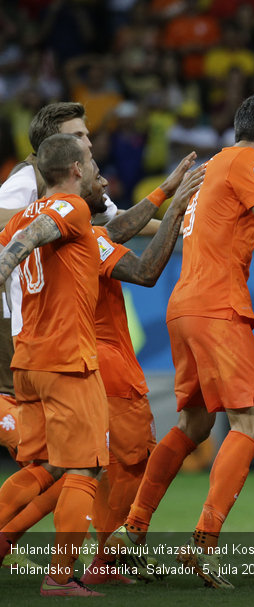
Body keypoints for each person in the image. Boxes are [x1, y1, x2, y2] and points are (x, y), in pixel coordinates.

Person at [106, 93, 254, 590]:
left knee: (193, 422)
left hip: (184, 308)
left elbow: (242, 212)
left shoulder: (218, 167)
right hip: (218, 308)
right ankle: (203, 545)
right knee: (250, 423)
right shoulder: (245, 160)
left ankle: (133, 529)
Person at [0, 161, 204, 586]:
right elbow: (145, 270)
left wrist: (165, 192)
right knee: (112, 467)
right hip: (94, 362)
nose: (105, 183)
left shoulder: (41, 223)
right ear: (73, 172)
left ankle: (16, 543)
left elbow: (116, 230)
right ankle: (89, 567)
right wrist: (178, 205)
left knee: (58, 468)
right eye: (96, 172)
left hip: (36, 359)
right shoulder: (81, 226)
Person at [0, 133, 107, 597]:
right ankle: (61, 577)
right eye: (90, 158)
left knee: (42, 465)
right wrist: (8, 261)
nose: (94, 164)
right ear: (76, 169)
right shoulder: (70, 207)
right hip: (65, 359)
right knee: (85, 469)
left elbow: (21, 234)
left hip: (28, 362)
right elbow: (33, 236)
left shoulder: (18, 215)